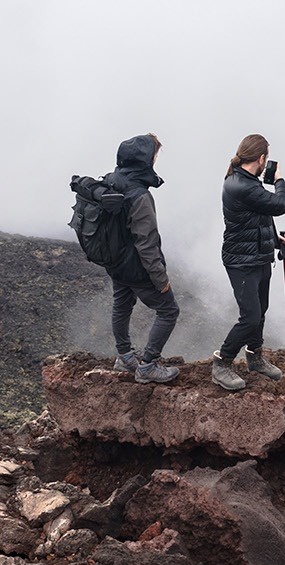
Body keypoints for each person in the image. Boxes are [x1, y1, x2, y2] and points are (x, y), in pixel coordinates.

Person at [213, 134, 285, 391]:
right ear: (261, 158)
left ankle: (254, 356)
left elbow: (259, 214)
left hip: (257, 255)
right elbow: (279, 205)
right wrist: (279, 179)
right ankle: (221, 363)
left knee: (261, 308)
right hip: (241, 261)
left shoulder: (247, 182)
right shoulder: (241, 185)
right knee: (251, 316)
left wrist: (274, 238)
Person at [104, 133, 180, 383]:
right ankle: (147, 365)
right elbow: (146, 244)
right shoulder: (140, 196)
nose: (156, 159)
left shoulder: (111, 181)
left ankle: (125, 356)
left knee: (122, 304)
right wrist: (160, 279)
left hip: (115, 262)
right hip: (136, 267)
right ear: (144, 160)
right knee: (169, 310)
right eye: (154, 155)